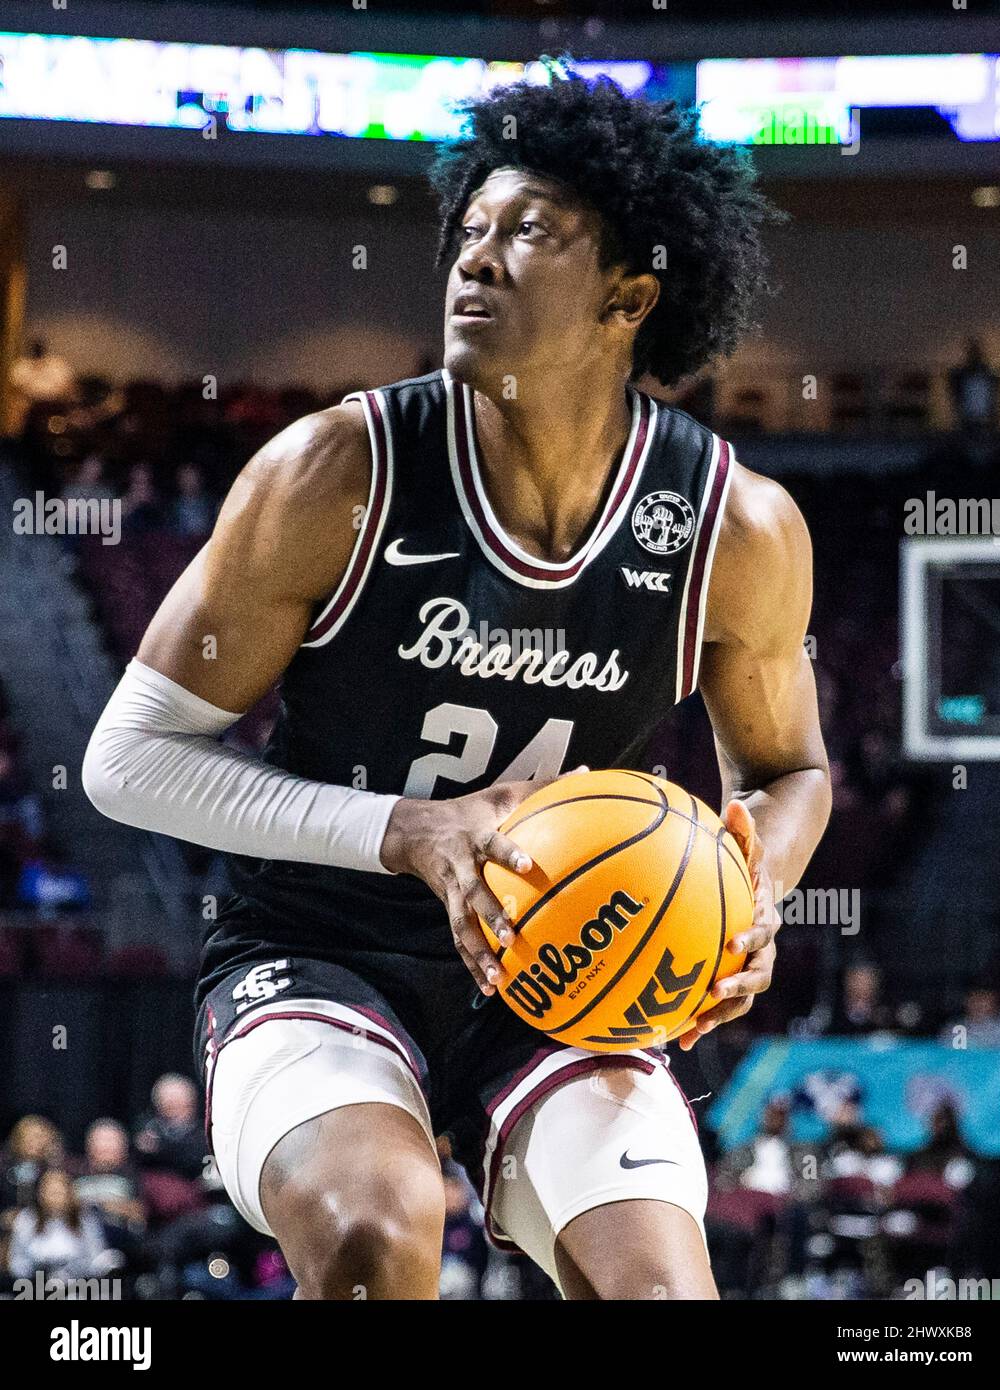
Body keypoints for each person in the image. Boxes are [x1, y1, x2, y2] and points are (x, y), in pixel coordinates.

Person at [82, 66, 831, 1300]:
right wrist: (402, 830)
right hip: (320, 949)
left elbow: (790, 770)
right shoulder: (336, 470)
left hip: (571, 966)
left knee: (658, 1291)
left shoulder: (731, 527)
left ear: (629, 297)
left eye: (529, 233)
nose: (475, 260)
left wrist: (749, 897)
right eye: (470, 230)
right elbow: (125, 760)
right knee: (382, 1236)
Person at [6, 1168, 114, 1284]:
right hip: (35, 1285)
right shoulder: (27, 1219)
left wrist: (73, 1273)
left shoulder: (85, 1218)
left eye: (59, 1192)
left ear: (69, 1193)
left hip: (78, 1284)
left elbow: (96, 1257)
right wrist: (36, 1277)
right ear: (40, 1193)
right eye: (50, 1191)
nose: (55, 1196)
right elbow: (17, 1260)